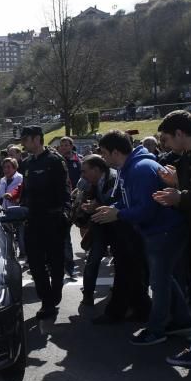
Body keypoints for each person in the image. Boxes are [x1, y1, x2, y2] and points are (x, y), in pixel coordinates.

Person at [93, 130, 191, 345]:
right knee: (165, 278)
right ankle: (183, 321)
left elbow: (146, 210)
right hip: (159, 231)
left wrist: (117, 214)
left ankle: (156, 330)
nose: (103, 158)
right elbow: (132, 202)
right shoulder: (131, 168)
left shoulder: (140, 169)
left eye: (104, 152)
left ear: (116, 152)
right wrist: (113, 208)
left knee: (159, 282)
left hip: (163, 232)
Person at [156, 111, 191, 368]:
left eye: (167, 138)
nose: (165, 145)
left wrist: (180, 196)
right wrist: (178, 187)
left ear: (180, 133)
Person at [18, 126, 70, 320]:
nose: (23, 143)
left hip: (53, 219)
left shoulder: (55, 161)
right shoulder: (27, 163)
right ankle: (47, 300)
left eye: (26, 139)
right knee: (35, 263)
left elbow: (64, 190)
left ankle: (53, 296)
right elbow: (26, 192)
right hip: (33, 221)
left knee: (56, 263)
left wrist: (65, 214)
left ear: (37, 139)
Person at [73, 155, 117, 308]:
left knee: (120, 260)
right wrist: (90, 205)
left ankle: (118, 295)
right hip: (100, 225)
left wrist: (96, 205)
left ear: (96, 169)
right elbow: (89, 199)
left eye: (85, 171)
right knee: (93, 260)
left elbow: (115, 203)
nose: (82, 175)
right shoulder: (90, 182)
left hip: (117, 226)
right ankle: (88, 294)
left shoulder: (114, 178)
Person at [57, 137, 83, 279]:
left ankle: (70, 265)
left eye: (67, 145)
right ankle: (62, 266)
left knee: (81, 228)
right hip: (61, 202)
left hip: (75, 199)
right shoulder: (57, 160)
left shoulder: (78, 161)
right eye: (62, 145)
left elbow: (83, 178)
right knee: (63, 235)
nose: (65, 147)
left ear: (71, 146)